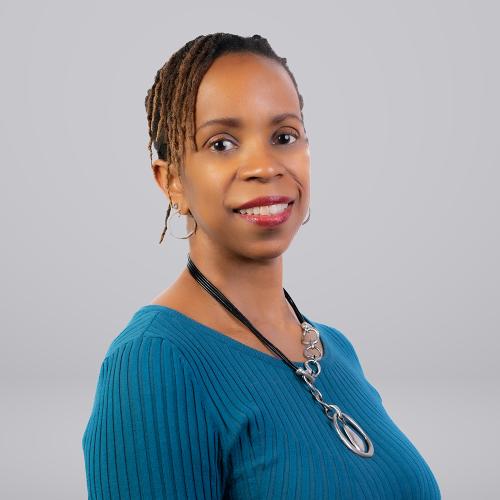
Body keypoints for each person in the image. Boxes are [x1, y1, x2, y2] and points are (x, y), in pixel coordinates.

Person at [82, 33, 441, 499]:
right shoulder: (154, 363)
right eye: (222, 143)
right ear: (171, 180)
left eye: (283, 136)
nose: (264, 165)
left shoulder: (333, 348)